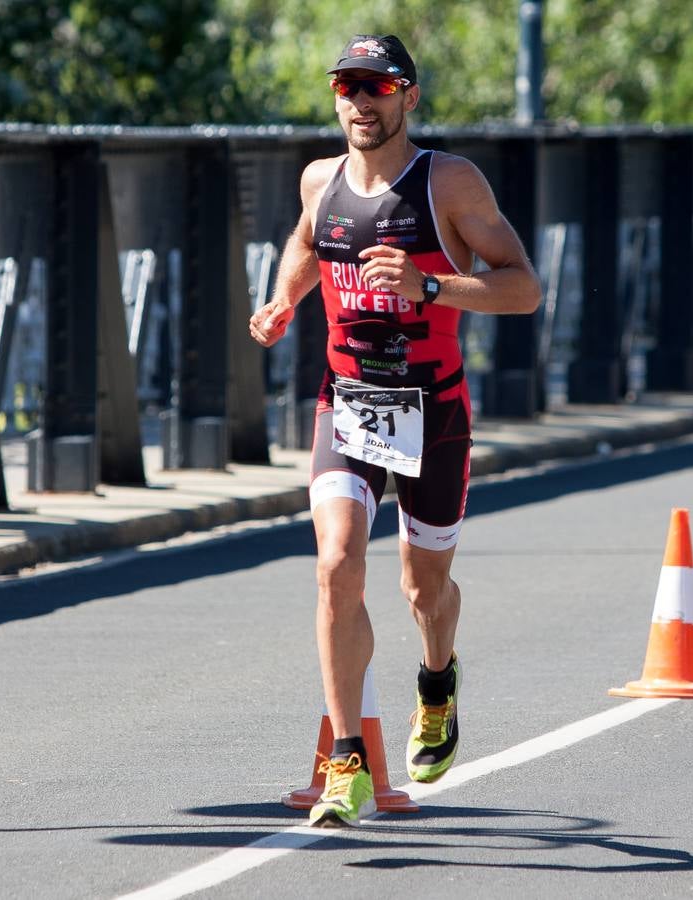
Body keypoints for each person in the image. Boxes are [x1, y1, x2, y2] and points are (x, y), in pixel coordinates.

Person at [249, 33, 541, 828]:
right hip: (345, 401)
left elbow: (521, 289)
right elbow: (310, 243)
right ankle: (347, 761)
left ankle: (437, 682)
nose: (359, 102)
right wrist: (283, 301)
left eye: (376, 88)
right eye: (346, 87)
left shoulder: (447, 181)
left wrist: (431, 285)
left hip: (432, 411)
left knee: (424, 588)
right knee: (337, 565)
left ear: (408, 96)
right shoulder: (320, 178)